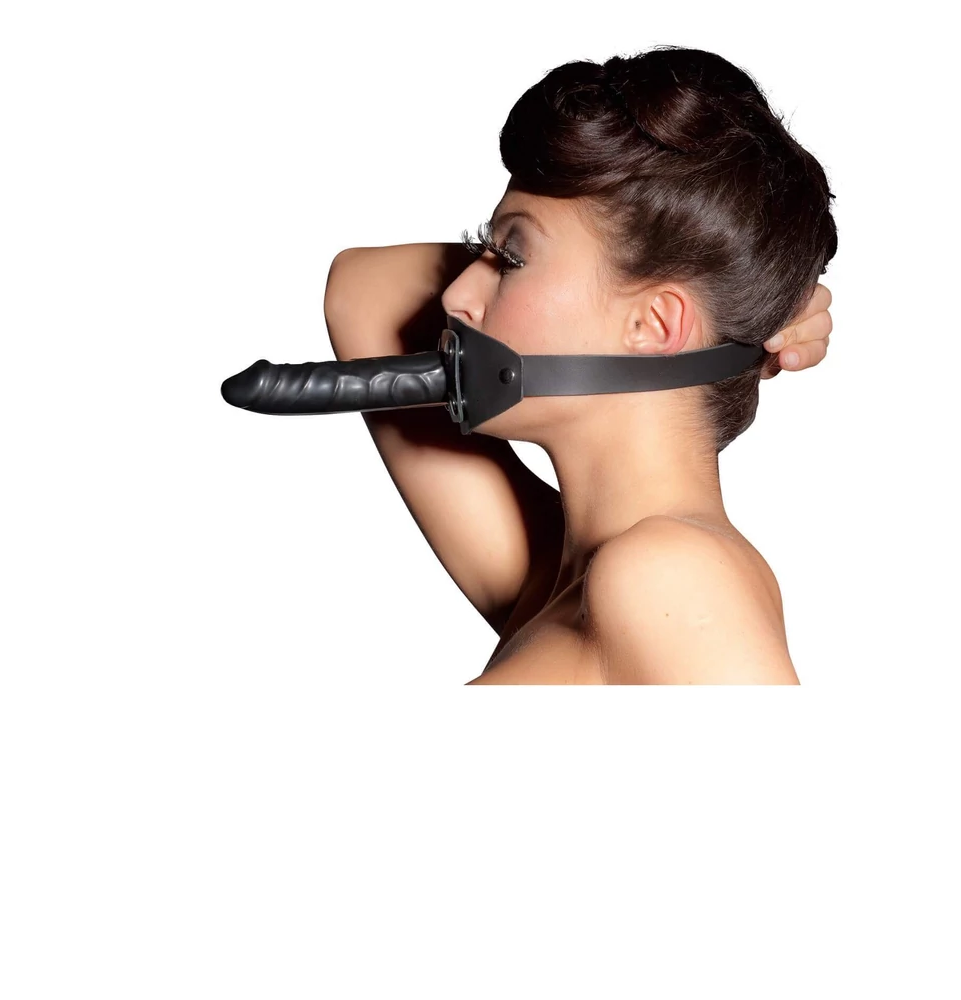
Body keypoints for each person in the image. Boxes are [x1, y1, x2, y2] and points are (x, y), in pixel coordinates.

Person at [324, 46, 837, 685]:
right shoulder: (555, 576)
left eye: (510, 258)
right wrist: (751, 304)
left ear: (653, 326)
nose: (457, 295)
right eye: (484, 252)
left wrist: (747, 305)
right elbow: (360, 289)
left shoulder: (671, 575)